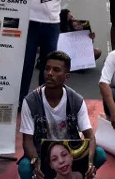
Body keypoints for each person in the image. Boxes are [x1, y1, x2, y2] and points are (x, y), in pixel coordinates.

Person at [19, 51, 106, 179]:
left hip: (69, 153)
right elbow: (27, 141)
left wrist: (90, 162)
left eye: (56, 70)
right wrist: (35, 161)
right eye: (47, 68)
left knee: (100, 154)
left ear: (66, 76)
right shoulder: (31, 101)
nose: (49, 73)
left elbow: (90, 136)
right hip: (41, 154)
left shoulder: (76, 100)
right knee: (25, 167)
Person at [18, 0, 76, 108]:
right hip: (31, 23)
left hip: (52, 25)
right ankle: (21, 99)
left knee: (47, 66)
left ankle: (42, 101)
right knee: (27, 63)